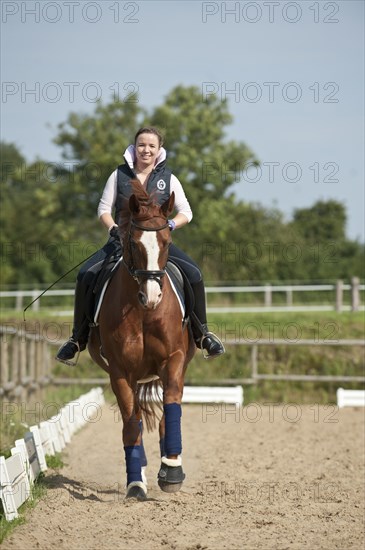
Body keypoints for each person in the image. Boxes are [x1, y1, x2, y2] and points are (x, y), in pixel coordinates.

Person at [56, 127, 225, 364]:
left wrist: (170, 226)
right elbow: (103, 209)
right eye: (142, 145)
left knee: (194, 274)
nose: (146, 150)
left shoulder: (170, 179)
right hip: (122, 242)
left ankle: (203, 334)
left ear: (159, 150)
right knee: (85, 275)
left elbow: (186, 212)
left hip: (157, 243)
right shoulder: (118, 175)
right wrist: (113, 228)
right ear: (135, 148)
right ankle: (77, 338)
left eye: (151, 146)